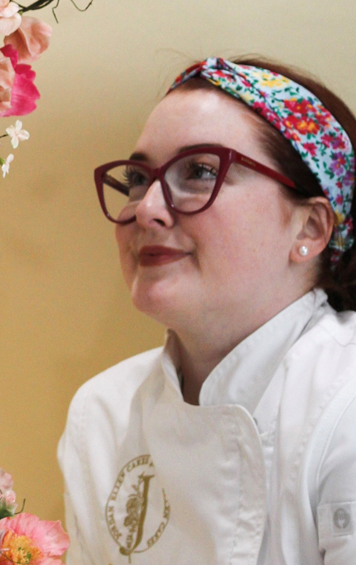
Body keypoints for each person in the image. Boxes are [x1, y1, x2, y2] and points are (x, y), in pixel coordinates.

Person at [58, 56, 356, 564]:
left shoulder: (345, 402)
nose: (147, 207)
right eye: (137, 177)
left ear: (309, 229)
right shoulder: (103, 412)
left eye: (198, 171)